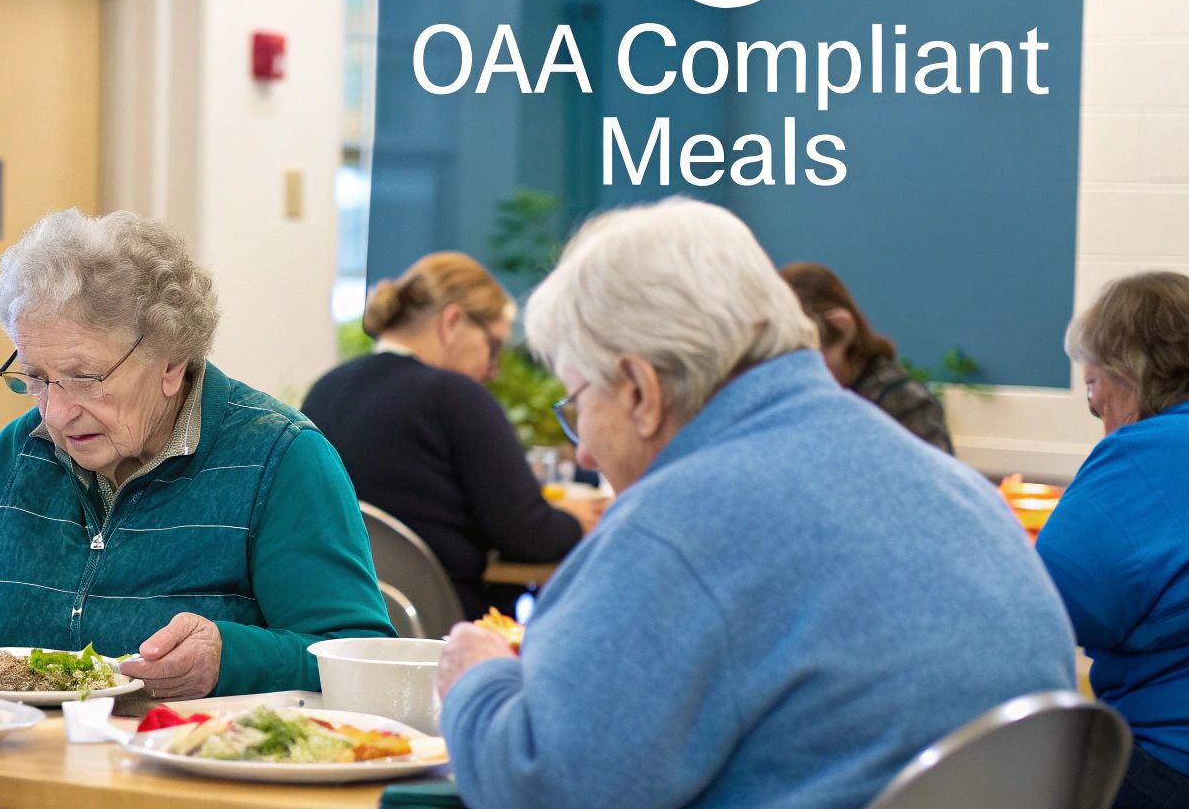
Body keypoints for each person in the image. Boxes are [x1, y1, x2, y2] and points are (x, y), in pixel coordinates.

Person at [436, 198, 1075, 809]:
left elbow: (543, 786)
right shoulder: (959, 492)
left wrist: (476, 681)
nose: (585, 456)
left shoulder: (678, 526)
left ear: (640, 390)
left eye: (579, 404)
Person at [0, 209, 393, 698]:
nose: (53, 412)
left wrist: (230, 657)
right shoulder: (20, 451)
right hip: (25, 769)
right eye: (35, 377)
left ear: (171, 362)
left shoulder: (279, 459)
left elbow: (358, 653)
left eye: (83, 378)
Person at [302, 252, 604, 620]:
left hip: (343, 623)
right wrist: (577, 518)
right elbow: (530, 535)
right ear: (453, 322)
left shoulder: (325, 390)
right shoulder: (454, 396)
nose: (493, 371)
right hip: (444, 629)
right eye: (493, 347)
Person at [1037, 272, 1189, 809]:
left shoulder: (1144, 454)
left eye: (1094, 393)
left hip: (1182, 767)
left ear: (1128, 370)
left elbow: (1041, 608)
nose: (1102, 424)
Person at [780, 261, 954, 453]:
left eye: (808, 356)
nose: (798, 371)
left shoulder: (905, 402)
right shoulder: (799, 401)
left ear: (842, 328)